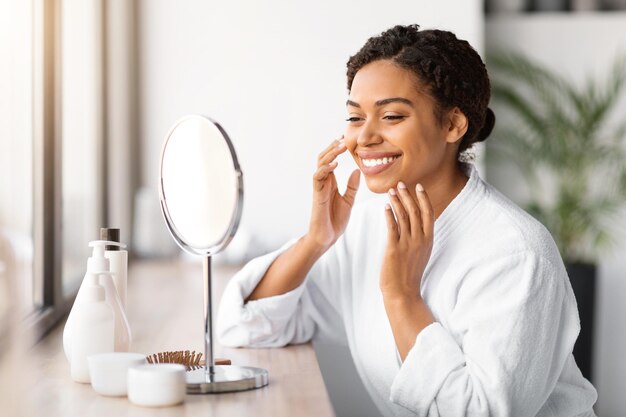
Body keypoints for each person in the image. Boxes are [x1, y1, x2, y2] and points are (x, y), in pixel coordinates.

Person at [217, 24, 597, 416]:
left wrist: (402, 296)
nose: (363, 138)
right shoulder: (367, 226)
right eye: (354, 117)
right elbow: (247, 326)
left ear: (452, 124)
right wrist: (316, 241)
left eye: (392, 116)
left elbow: (480, 411)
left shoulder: (516, 255)